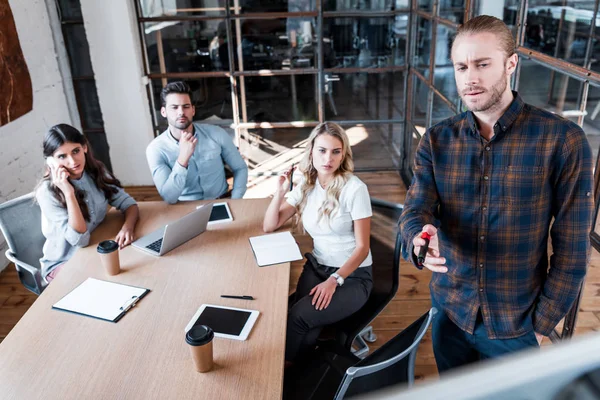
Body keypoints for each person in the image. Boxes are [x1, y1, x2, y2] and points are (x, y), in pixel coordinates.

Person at [399, 15, 594, 373]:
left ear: (511, 64)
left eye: (482, 64)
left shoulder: (562, 141)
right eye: (461, 66)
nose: (469, 78)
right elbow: (415, 209)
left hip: (517, 324)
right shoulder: (436, 140)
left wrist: (540, 325)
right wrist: (417, 237)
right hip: (450, 313)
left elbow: (572, 250)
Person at [263, 121, 373, 362]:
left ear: (343, 154)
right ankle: (300, 366)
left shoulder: (355, 189)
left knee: (300, 316)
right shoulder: (307, 184)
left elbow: (363, 248)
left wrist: (335, 280)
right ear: (311, 151)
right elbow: (270, 224)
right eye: (322, 150)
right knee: (302, 317)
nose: (328, 159)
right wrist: (280, 191)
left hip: (353, 275)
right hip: (319, 266)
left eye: (336, 151)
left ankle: (285, 368)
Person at [36, 124, 139, 283]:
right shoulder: (47, 192)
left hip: (94, 248)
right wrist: (68, 192)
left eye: (75, 151)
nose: (72, 161)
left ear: (84, 147)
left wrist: (128, 227)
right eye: (62, 156)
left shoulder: (95, 170)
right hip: (64, 262)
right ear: (51, 161)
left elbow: (128, 203)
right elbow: (80, 241)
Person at [146, 81, 248, 204]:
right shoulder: (156, 149)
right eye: (174, 107)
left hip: (221, 201)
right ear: (163, 112)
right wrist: (183, 159)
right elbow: (169, 197)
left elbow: (240, 168)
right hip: (185, 207)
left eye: (186, 106)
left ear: (193, 110)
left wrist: (236, 200)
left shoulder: (217, 134)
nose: (181, 112)